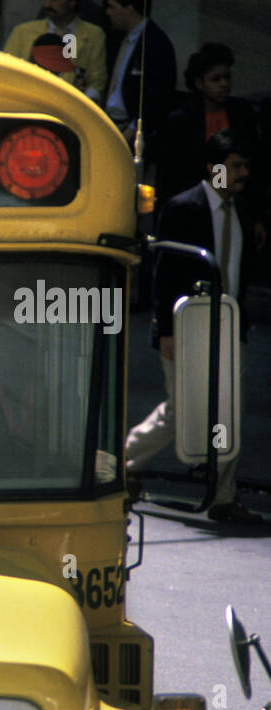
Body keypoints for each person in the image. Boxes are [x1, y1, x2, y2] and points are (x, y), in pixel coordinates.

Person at [125, 132, 262, 523]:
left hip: (229, 325)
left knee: (227, 412)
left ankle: (223, 496)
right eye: (235, 166)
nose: (242, 174)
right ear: (213, 167)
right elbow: (165, 272)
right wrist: (165, 329)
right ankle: (125, 458)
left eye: (245, 167)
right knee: (181, 409)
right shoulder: (185, 207)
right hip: (188, 326)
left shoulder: (241, 210)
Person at [157, 44, 265, 236]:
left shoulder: (241, 113)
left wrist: (257, 218)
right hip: (194, 210)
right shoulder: (181, 121)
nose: (224, 83)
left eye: (227, 77)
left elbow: (255, 168)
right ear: (199, 83)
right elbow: (168, 178)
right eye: (216, 79)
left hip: (235, 207)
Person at [103, 0, 177, 165]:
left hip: (133, 134)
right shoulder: (116, 36)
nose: (108, 13)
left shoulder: (156, 43)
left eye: (112, 7)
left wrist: (132, 130)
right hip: (109, 122)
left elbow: (159, 97)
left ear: (129, 8)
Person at [5, 0, 108, 103]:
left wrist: (80, 105)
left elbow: (97, 81)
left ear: (72, 2)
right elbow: (7, 73)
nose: (47, 5)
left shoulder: (94, 35)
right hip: (29, 104)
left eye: (54, 0)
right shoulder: (22, 32)